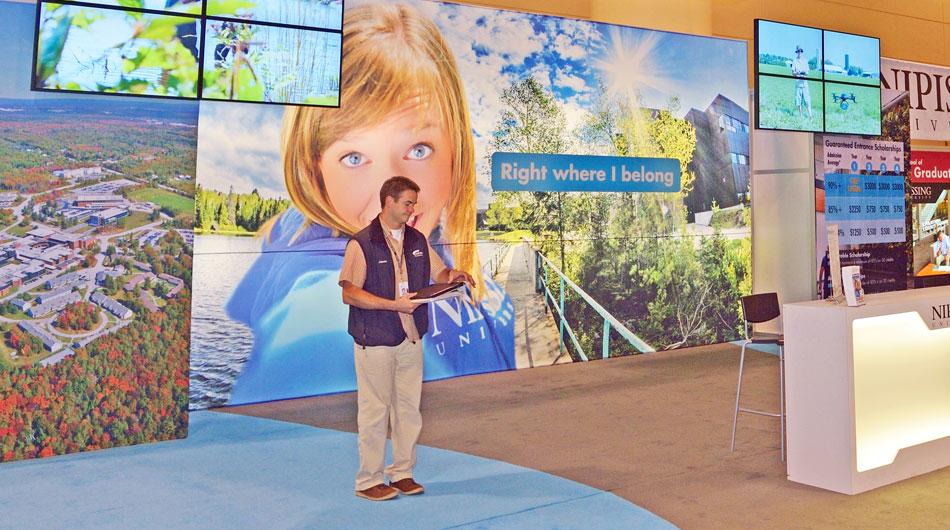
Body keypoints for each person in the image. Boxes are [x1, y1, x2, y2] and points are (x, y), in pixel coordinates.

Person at [224, 3, 515, 406]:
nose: (392, 193)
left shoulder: (434, 245)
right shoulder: (317, 271)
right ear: (315, 170)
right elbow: (319, 331)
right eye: (355, 157)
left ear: (456, 152)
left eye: (418, 149)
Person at [339, 176, 473, 501]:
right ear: (388, 201)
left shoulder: (418, 240)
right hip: (375, 339)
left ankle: (401, 473)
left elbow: (439, 273)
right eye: (407, 203)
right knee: (375, 410)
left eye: (414, 203)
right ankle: (368, 480)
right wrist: (393, 305)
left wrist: (453, 276)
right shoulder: (362, 243)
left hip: (411, 337)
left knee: (409, 409)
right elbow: (349, 293)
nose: (413, 209)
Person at [791, 46, 813, 120]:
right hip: (798, 83)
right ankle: (801, 116)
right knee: (798, 100)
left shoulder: (805, 61)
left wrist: (804, 72)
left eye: (801, 51)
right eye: (798, 51)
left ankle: (810, 116)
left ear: (802, 52)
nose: (799, 52)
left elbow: (807, 72)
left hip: (804, 83)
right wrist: (796, 72)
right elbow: (792, 73)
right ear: (796, 52)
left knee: (807, 100)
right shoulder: (794, 61)